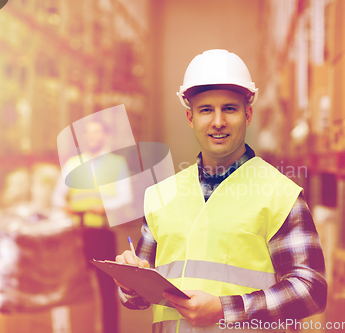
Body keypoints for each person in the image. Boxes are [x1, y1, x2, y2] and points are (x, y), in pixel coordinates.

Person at [115, 49, 327, 332]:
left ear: (248, 114)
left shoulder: (280, 195)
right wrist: (130, 283)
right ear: (190, 118)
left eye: (229, 108)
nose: (217, 122)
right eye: (206, 110)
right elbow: (139, 298)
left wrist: (226, 309)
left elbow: (312, 291)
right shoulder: (161, 196)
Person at [52, 120, 131, 333]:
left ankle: (109, 329)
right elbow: (58, 196)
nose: (91, 137)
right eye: (88, 133)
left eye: (96, 132)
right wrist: (65, 207)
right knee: (75, 285)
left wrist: (104, 206)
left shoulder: (117, 164)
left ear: (105, 136)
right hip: (76, 234)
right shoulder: (73, 164)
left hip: (102, 233)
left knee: (107, 287)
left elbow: (126, 196)